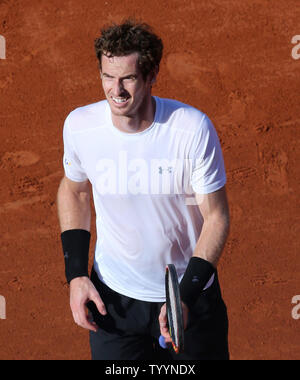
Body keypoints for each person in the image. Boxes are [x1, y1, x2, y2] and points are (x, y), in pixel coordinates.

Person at [57, 19, 230, 360]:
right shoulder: (80, 126)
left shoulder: (190, 130)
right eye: (108, 76)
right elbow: (74, 190)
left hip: (189, 299)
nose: (115, 90)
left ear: (152, 76)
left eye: (128, 78)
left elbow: (216, 217)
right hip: (116, 304)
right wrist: (76, 274)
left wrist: (185, 297)